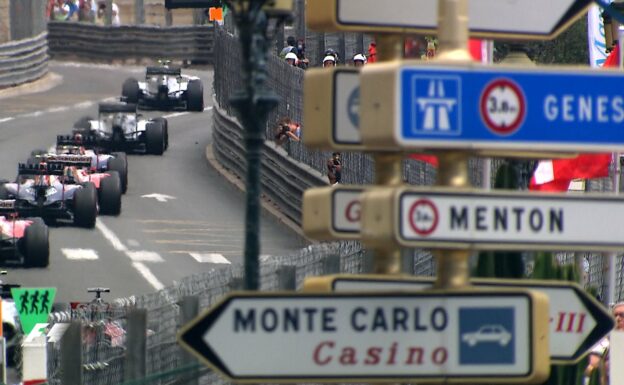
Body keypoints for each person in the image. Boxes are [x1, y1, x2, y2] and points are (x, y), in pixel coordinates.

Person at [585, 302, 624, 384]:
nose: (618, 319)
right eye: (615, 315)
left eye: (622, 315)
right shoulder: (606, 341)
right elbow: (594, 360)